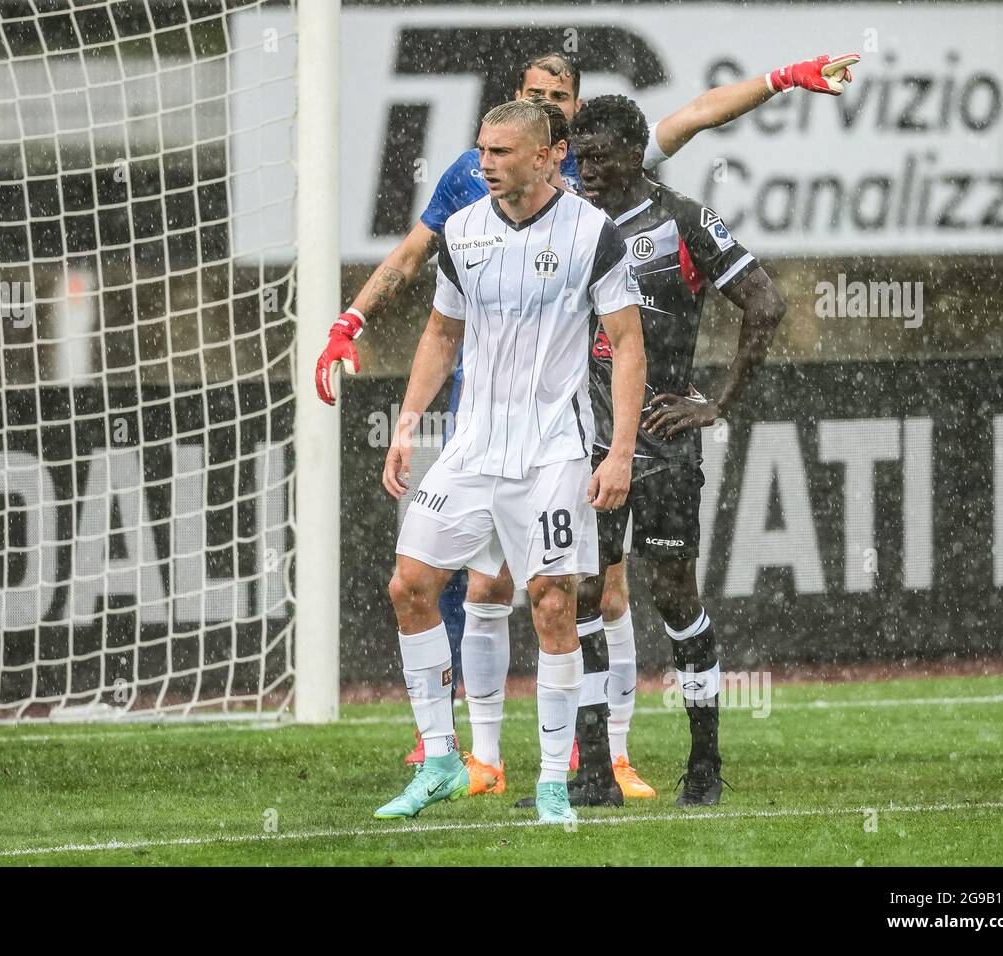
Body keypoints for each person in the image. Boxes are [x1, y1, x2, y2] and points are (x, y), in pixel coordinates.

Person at [321, 50, 859, 798]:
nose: (549, 105)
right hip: (530, 428)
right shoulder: (498, 184)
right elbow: (419, 258)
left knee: (624, 594)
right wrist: (351, 319)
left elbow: (697, 114)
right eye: (534, 94)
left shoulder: (616, 186)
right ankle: (507, 757)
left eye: (559, 97)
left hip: (614, 433)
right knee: (515, 590)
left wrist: (784, 78)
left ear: (570, 118)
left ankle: (643, 758)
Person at [374, 100, 645, 824]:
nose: (486, 163)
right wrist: (408, 425)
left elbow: (626, 344)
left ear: (546, 154)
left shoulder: (594, 233)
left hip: (554, 450)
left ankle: (554, 782)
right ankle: (439, 759)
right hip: (471, 446)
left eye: (500, 151)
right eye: (481, 150)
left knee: (553, 604)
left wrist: (618, 452)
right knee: (410, 585)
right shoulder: (462, 232)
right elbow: (439, 333)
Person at [552, 94, 787, 807]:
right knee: (584, 592)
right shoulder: (566, 221)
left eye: (598, 156)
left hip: (662, 442)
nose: (585, 168)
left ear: (633, 151)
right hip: (585, 440)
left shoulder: (682, 219)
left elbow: (766, 302)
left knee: (673, 593)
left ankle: (706, 763)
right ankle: (595, 767)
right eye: (578, 155)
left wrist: (716, 402)